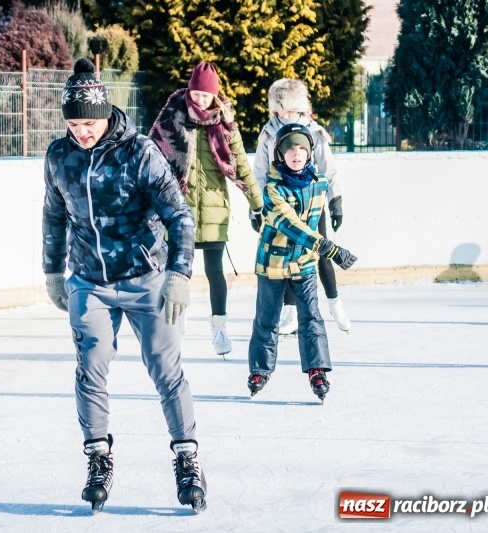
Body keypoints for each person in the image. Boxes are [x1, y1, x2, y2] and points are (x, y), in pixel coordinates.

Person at [43, 58, 207, 514]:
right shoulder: (59, 156)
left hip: (145, 279)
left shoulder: (139, 152)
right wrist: (53, 271)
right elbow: (54, 216)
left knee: (164, 367)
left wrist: (178, 274)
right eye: (74, 123)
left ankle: (187, 457)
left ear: (106, 112)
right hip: (89, 281)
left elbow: (179, 216)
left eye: (90, 122)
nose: (83, 132)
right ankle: (98, 457)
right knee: (90, 365)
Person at [150, 62, 263, 357]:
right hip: (178, 208)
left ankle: (219, 328)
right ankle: (177, 324)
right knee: (177, 271)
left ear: (215, 96)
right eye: (196, 93)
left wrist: (257, 206)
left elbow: (241, 165)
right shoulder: (172, 116)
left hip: (214, 207)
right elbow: (150, 160)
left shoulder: (225, 123)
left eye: (206, 96)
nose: (200, 101)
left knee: (215, 271)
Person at [247, 124, 357, 401]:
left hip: (304, 263)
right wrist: (328, 248)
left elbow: (315, 221)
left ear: (309, 154)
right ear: (280, 154)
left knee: (311, 318)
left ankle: (317, 370)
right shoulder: (272, 189)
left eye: (302, 149)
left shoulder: (319, 184)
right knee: (267, 320)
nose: (296, 154)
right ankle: (260, 370)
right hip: (273, 263)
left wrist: (334, 211)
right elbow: (290, 225)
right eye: (290, 149)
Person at [253, 78, 350, 335]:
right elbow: (260, 172)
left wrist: (335, 200)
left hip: (312, 202)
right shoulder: (268, 133)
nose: (288, 116)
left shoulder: (314, 131)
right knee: (285, 254)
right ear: (275, 109)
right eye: (283, 110)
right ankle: (290, 312)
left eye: (293, 111)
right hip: (282, 202)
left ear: (302, 109)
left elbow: (328, 168)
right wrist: (258, 207)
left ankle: (334, 300)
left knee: (321, 249)